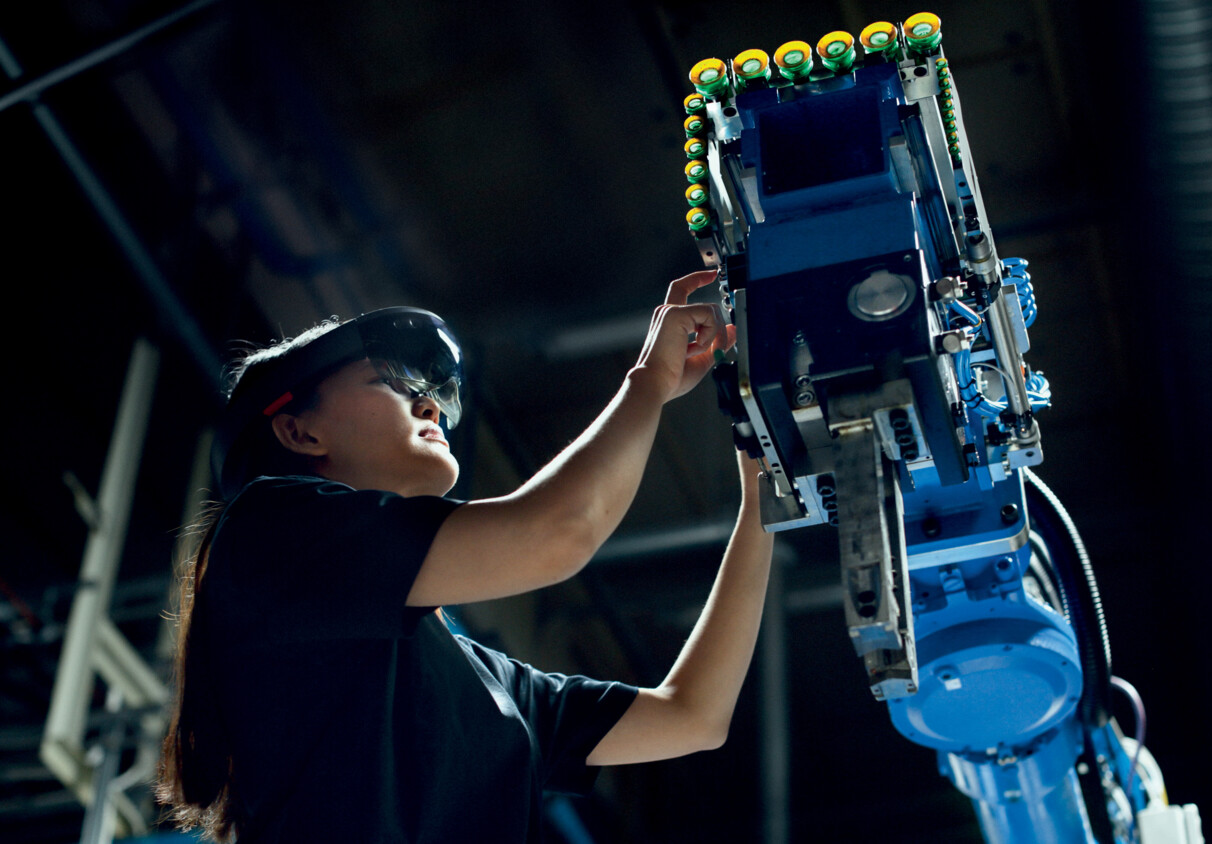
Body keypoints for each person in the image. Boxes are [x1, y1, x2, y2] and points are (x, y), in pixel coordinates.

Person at [155, 270, 775, 842]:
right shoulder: (267, 535)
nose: (431, 405)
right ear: (298, 430)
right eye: (392, 382)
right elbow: (558, 533)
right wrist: (649, 382)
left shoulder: (486, 685)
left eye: (433, 391)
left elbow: (693, 715)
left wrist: (762, 500)